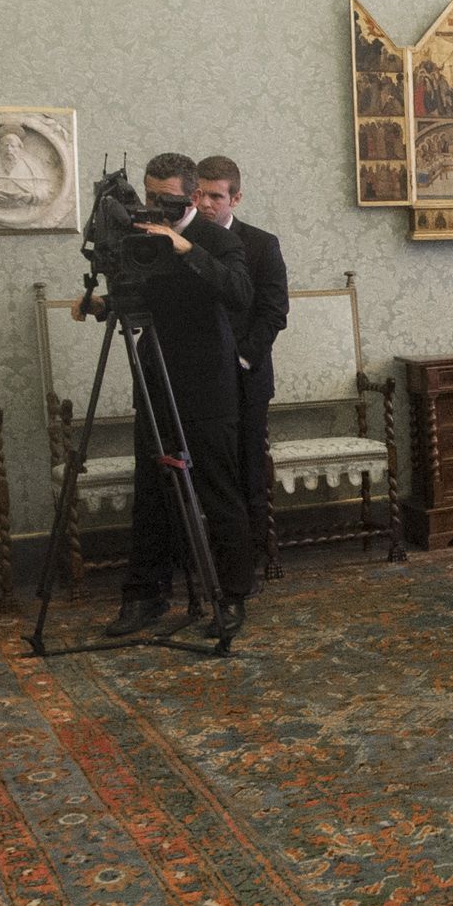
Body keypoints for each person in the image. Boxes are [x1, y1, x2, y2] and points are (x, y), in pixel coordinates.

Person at [77, 152, 256, 634]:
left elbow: (240, 292)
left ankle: (232, 598)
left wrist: (185, 249)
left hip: (208, 384)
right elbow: (141, 298)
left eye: (167, 199)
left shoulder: (218, 239)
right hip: (156, 377)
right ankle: (145, 596)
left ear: (193, 196)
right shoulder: (140, 235)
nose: (155, 207)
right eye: (151, 196)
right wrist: (102, 305)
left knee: (218, 493)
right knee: (152, 495)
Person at [190, 157, 288, 573]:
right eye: (199, 195)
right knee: (205, 471)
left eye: (216, 196)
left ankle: (250, 562)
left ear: (236, 198)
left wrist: (241, 359)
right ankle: (203, 560)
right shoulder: (181, 241)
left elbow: (273, 312)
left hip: (246, 378)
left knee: (248, 470)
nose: (206, 204)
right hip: (196, 380)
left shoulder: (261, 244)